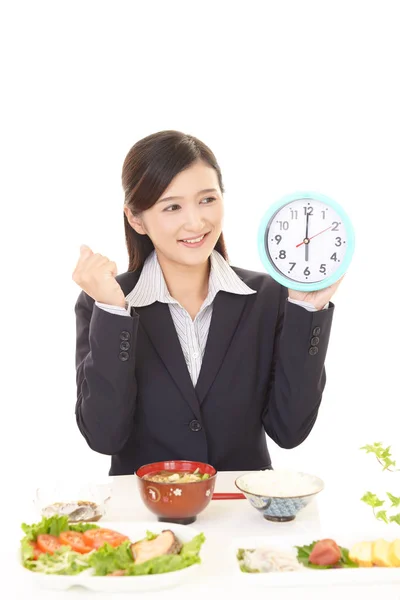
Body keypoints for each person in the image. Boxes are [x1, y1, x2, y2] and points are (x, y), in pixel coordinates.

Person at [72, 130, 341, 476]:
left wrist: (306, 310)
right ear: (136, 218)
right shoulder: (107, 303)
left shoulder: (270, 296)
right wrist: (112, 312)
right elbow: (104, 436)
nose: (196, 222)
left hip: (243, 513)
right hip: (144, 515)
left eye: (207, 200)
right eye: (172, 206)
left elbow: (289, 432)